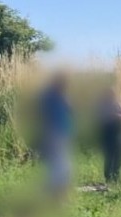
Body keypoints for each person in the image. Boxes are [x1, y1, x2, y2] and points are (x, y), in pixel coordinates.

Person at [38, 72, 74, 200]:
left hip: (63, 133)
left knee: (64, 166)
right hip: (54, 133)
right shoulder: (49, 96)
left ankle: (58, 195)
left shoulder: (60, 95)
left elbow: (71, 110)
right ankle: (55, 195)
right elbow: (44, 115)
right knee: (61, 166)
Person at [97, 87, 121, 183]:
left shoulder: (116, 104)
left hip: (117, 133)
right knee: (109, 156)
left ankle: (115, 175)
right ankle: (108, 178)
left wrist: (116, 116)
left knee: (119, 155)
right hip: (106, 133)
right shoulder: (101, 106)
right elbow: (98, 118)